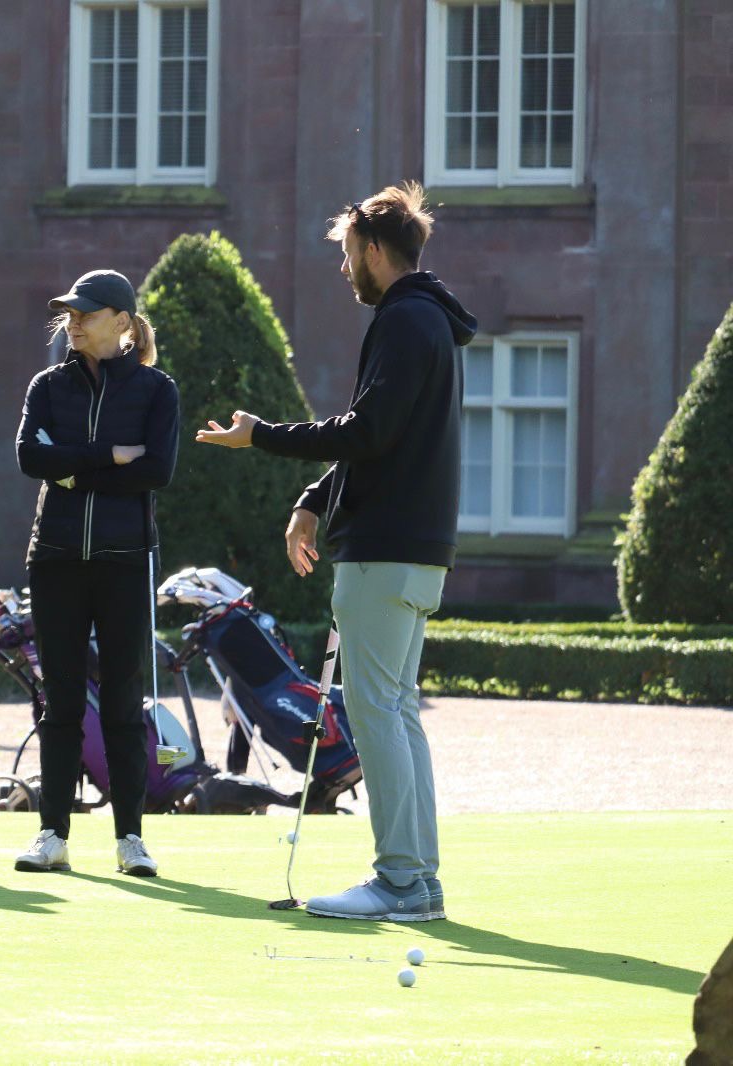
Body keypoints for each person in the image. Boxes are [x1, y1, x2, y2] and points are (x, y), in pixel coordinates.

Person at [196, 182, 476, 921]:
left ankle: (401, 881)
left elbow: (365, 432)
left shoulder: (403, 320)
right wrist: (314, 501)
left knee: (377, 712)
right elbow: (382, 433)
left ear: (375, 252)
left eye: (349, 255)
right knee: (396, 711)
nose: (344, 269)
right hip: (416, 551)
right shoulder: (427, 319)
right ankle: (418, 879)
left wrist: (262, 436)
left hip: (385, 550)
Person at [13, 269, 179, 877]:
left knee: (121, 702)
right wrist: (107, 457)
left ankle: (130, 838)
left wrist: (71, 468)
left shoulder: (156, 391)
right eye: (70, 313)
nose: (73, 321)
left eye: (85, 313)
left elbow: (155, 472)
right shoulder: (47, 385)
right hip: (55, 558)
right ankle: (52, 833)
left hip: (123, 563)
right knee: (59, 700)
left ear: (122, 324)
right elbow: (30, 456)